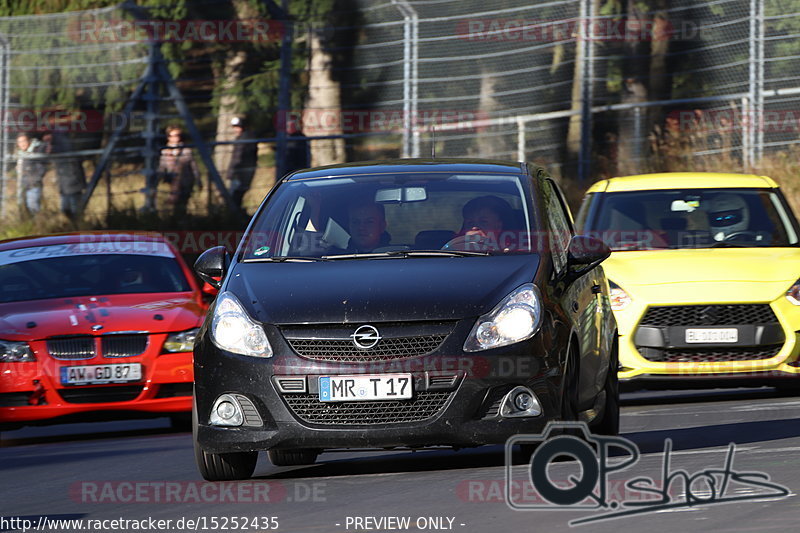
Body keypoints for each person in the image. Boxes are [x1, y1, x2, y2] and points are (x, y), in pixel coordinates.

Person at [443, 195, 512, 251]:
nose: (474, 227)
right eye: (470, 222)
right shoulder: (453, 251)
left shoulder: (516, 254)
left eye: (483, 222)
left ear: (498, 226)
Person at [43, 130, 85, 219]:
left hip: (73, 179)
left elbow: (66, 149)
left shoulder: (62, 140)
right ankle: (73, 225)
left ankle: (78, 225)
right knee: (65, 209)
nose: (45, 139)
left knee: (75, 208)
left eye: (46, 136)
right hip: (64, 182)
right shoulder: (55, 141)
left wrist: (52, 149)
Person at [158, 126, 199, 216]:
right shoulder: (165, 152)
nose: (176, 137)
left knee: (182, 205)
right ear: (168, 137)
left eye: (178, 135)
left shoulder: (187, 151)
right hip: (170, 183)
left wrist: (198, 180)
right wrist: (160, 179)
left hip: (185, 182)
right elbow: (162, 167)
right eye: (173, 135)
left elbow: (194, 167)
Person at [226, 116, 258, 210]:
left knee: (235, 196)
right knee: (237, 195)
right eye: (234, 127)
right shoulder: (246, 137)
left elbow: (238, 158)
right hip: (245, 171)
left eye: (238, 127)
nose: (236, 129)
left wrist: (232, 172)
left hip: (240, 173)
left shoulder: (243, 139)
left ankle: (234, 215)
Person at [15, 132, 47, 215]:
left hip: (33, 185)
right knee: (26, 210)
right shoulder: (20, 155)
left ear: (29, 141)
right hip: (24, 186)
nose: (22, 144)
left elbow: (41, 169)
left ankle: (38, 225)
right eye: (20, 142)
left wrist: (34, 179)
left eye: (24, 141)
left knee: (33, 208)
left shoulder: (35, 151)